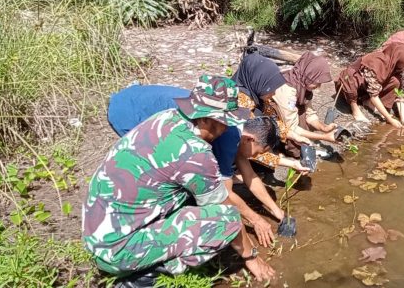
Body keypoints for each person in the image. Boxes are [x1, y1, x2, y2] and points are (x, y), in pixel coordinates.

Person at [83, 76, 275, 287]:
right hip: (117, 251)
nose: (226, 129)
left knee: (191, 198)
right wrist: (251, 257)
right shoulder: (196, 154)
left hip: (97, 232)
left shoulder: (166, 117)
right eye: (223, 122)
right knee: (227, 219)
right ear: (206, 119)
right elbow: (225, 207)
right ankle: (143, 277)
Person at [106, 79, 307, 248]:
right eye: (260, 153)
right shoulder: (226, 137)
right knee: (154, 169)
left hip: (136, 95)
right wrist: (255, 220)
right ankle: (138, 227)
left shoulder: (236, 124)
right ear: (249, 140)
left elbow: (250, 176)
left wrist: (278, 213)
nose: (257, 157)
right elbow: (224, 195)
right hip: (128, 112)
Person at [337, 43, 404, 128]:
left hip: (365, 88)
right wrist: (390, 119)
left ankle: (367, 102)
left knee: (396, 81)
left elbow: (399, 91)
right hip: (348, 87)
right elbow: (373, 95)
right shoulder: (376, 63)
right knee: (349, 78)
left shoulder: (391, 64)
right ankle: (355, 109)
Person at [275, 52, 337, 157]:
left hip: (289, 114)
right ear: (309, 74)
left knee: (303, 116)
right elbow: (291, 127)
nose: (319, 86)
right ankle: (282, 148)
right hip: (272, 116)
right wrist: (325, 137)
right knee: (297, 140)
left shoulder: (304, 83)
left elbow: (310, 113)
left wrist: (323, 128)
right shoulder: (287, 88)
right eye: (317, 81)